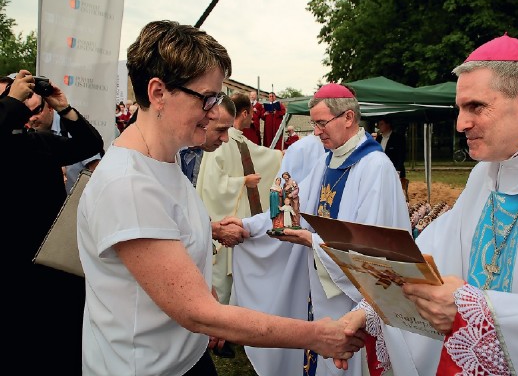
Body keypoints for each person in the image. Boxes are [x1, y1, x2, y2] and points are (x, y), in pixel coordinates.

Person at [77, 20, 364, 376]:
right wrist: (317, 335)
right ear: (158, 93)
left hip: (184, 358)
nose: (216, 111)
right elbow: (196, 312)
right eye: (207, 98)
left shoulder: (164, 162)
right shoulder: (128, 185)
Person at [342, 34, 518, 375]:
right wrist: (376, 306)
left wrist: (479, 312)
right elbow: (434, 257)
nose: (461, 123)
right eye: (460, 108)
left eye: (476, 106)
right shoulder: (485, 174)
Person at [243, 83, 411, 376]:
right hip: (322, 288)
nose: (316, 131)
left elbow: (372, 250)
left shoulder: (375, 167)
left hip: (358, 300)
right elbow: (292, 207)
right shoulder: (328, 160)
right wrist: (247, 227)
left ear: (348, 118)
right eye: (314, 124)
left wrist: (312, 240)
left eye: (321, 123)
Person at [1, 70, 104, 374]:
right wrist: (13, 101)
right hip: (11, 276)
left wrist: (63, 108)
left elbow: (90, 144)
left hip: (53, 266)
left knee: (62, 346)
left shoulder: (38, 143)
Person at [232, 133, 326, 376]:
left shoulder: (307, 150)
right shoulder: (312, 151)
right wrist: (247, 225)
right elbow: (286, 206)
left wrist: (247, 225)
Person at [196, 92, 282, 306]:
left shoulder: (236, 139)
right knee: (219, 280)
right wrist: (243, 181)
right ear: (244, 113)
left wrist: (282, 156)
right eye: (251, 114)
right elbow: (213, 184)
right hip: (222, 220)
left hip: (237, 219)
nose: (253, 119)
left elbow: (261, 155)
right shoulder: (217, 143)